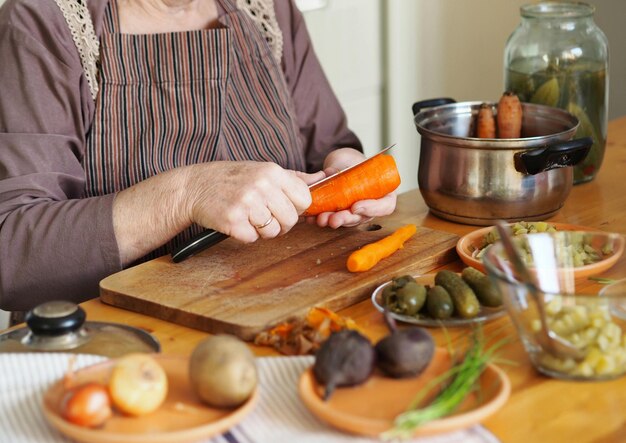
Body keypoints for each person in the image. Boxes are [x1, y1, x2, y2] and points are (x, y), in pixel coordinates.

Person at [0, 0, 396, 312]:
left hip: (277, 310)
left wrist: (346, 173)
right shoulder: (43, 21)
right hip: (117, 347)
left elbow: (328, 147)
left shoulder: (267, 9)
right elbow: (13, 256)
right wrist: (185, 194)